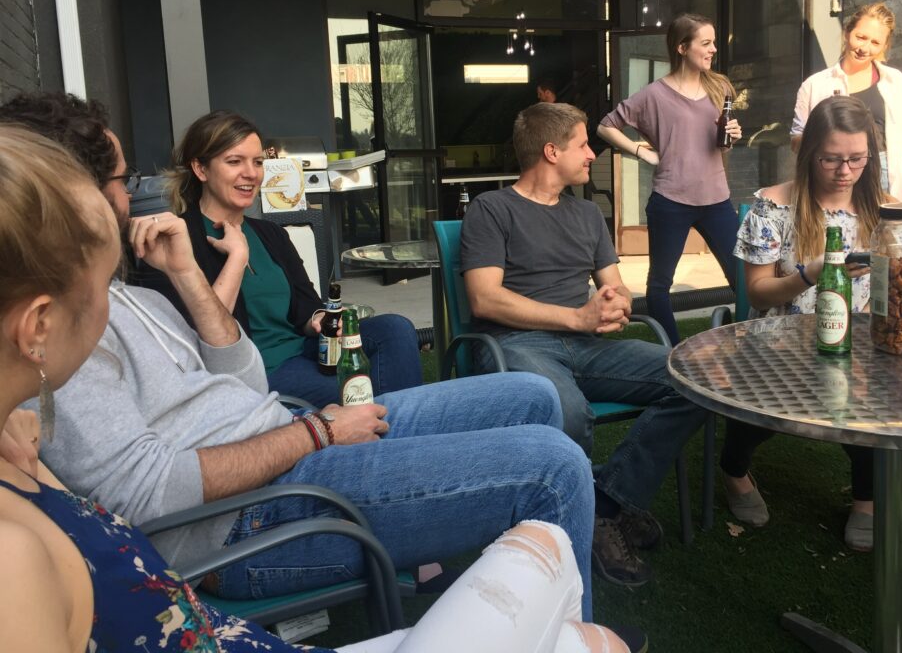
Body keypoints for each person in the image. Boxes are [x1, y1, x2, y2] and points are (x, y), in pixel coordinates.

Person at [0, 128, 631, 652]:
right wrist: (320, 430)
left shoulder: (144, 288)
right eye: (121, 179)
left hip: (286, 431)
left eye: (257, 160)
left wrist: (194, 276)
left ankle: (491, 577)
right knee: (555, 466)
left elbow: (244, 377)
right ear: (77, 196)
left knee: (529, 394)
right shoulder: (58, 343)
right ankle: (552, 622)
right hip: (253, 511)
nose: (134, 192)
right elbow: (145, 490)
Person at [462, 101, 707, 588]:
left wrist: (615, 302)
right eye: (582, 145)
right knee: (567, 409)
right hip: (516, 345)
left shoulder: (587, 214)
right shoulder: (493, 209)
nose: (593, 153)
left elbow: (614, 285)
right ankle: (591, 522)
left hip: (585, 343)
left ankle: (606, 500)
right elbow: (485, 299)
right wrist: (577, 316)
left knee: (692, 380)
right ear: (551, 151)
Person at [132, 110, 420, 409]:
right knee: (359, 394)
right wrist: (237, 258)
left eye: (257, 162)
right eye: (234, 161)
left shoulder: (270, 234)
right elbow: (195, 341)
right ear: (201, 169)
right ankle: (401, 428)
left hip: (304, 353)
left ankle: (395, 426)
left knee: (395, 330)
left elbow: (306, 305)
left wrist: (319, 319)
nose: (251, 173)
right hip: (257, 373)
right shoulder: (175, 242)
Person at [727, 95, 885, 550]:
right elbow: (757, 292)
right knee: (753, 417)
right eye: (831, 159)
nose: (844, 171)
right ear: (807, 151)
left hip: (859, 346)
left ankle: (866, 502)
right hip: (780, 342)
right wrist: (808, 274)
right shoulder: (772, 207)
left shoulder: (883, 209)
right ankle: (735, 472)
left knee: (877, 408)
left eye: (857, 159)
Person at [597, 12, 742, 344]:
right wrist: (641, 152)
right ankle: (673, 352)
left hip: (716, 199)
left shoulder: (718, 87)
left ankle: (747, 340)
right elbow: (605, 126)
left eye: (714, 43)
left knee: (743, 278)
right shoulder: (653, 95)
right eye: (705, 43)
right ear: (681, 47)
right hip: (671, 201)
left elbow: (719, 141)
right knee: (659, 285)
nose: (713, 50)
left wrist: (732, 133)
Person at [791, 2, 902, 204]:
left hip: (884, 176)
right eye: (861, 37)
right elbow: (796, 139)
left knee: (889, 234)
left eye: (875, 43)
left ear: (885, 46)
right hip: (835, 177)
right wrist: (828, 149)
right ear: (847, 32)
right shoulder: (815, 85)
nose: (865, 48)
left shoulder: (895, 81)